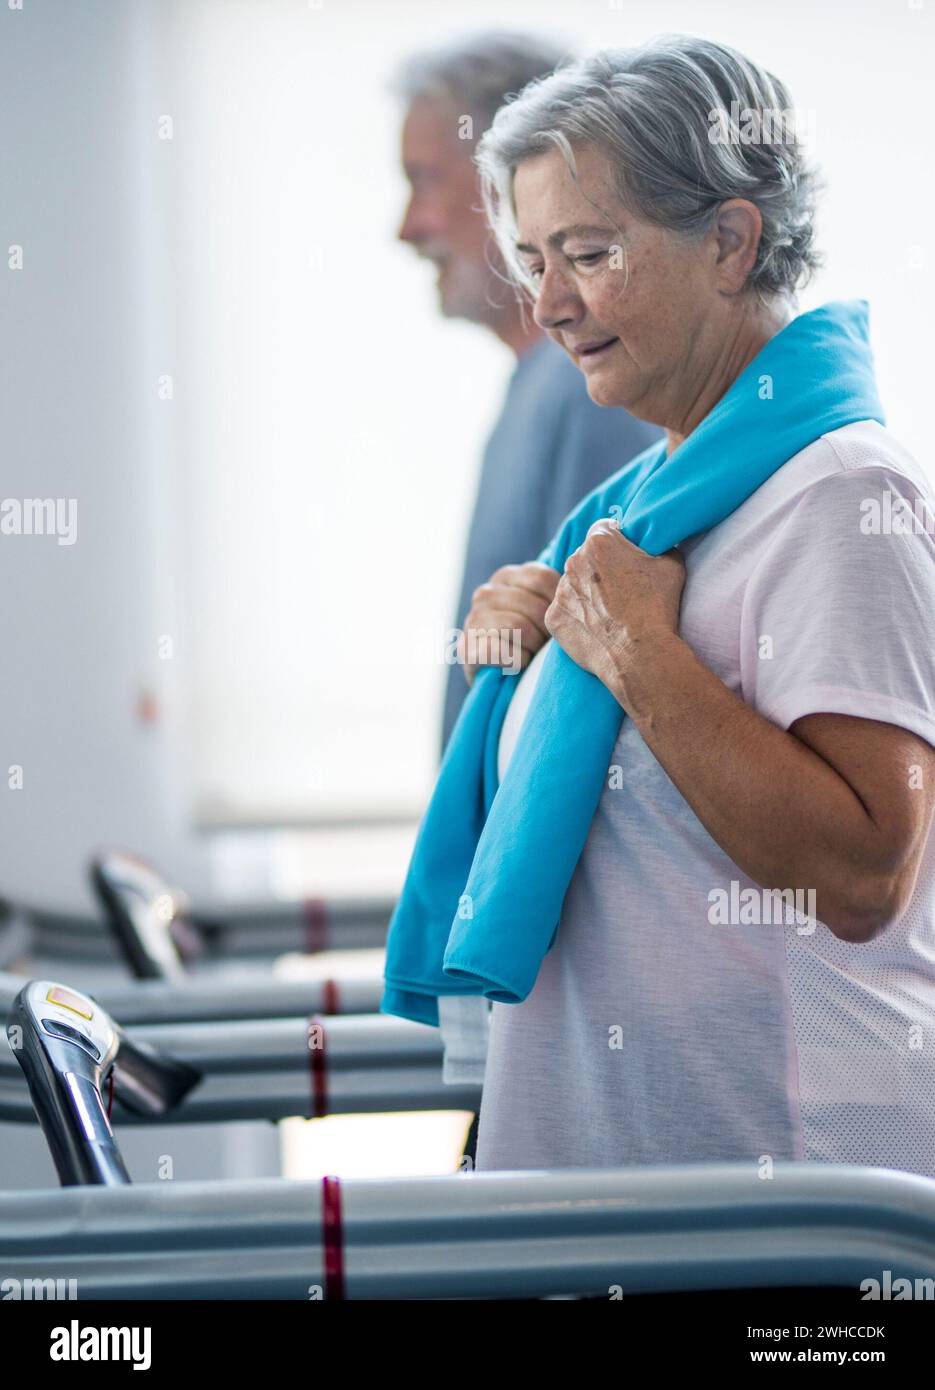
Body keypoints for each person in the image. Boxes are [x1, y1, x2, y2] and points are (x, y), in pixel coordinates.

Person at [448, 36, 935, 1175]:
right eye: (532, 260)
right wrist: (541, 657)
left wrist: (636, 657)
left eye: (586, 252)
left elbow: (864, 870)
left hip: (785, 1201)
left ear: (728, 241)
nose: (550, 304)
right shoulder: (651, 509)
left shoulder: (840, 493)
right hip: (646, 1192)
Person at [394, 32, 661, 753]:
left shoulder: (589, 393)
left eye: (422, 180)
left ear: (505, 184)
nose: (406, 228)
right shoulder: (541, 388)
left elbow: (603, 697)